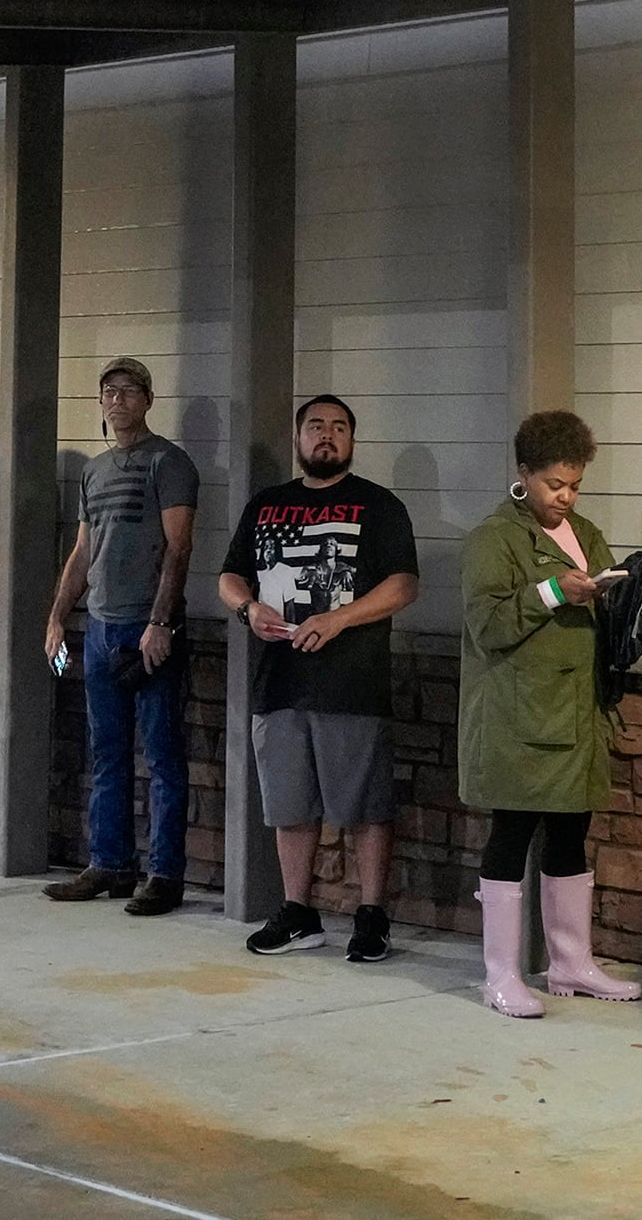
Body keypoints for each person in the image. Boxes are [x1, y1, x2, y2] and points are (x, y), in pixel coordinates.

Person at [217, 394, 420, 961]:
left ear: (352, 440)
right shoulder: (266, 504)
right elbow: (230, 575)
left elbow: (404, 584)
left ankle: (372, 914)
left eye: (337, 427)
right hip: (276, 681)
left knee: (365, 805)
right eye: (314, 426)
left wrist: (338, 619)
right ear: (298, 438)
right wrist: (248, 609)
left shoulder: (378, 506)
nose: (326, 436)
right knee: (290, 805)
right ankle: (298, 912)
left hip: (351, 684)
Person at [460, 408, 642, 1017]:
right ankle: (501, 974)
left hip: (578, 709)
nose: (565, 497)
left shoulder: (586, 533)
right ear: (523, 474)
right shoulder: (496, 537)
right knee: (512, 833)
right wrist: (555, 590)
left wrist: (623, 599)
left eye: (575, 485)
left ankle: (571, 963)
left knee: (571, 831)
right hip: (519, 714)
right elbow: (487, 624)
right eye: (553, 484)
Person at [42, 357, 198, 915]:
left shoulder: (168, 463)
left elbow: (178, 548)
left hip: (148, 627)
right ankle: (108, 863)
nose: (118, 400)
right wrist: (60, 615)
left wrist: (160, 622)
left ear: (149, 400)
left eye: (130, 390)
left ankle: (164, 874)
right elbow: (84, 551)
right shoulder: (94, 471)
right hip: (102, 626)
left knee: (160, 753)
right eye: (109, 391)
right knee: (105, 751)